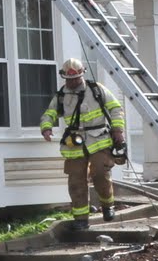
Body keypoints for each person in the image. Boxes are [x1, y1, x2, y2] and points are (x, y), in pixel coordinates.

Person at [39, 57, 126, 231]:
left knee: (100, 174)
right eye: (69, 79)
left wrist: (117, 130)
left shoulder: (96, 90)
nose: (72, 82)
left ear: (82, 75)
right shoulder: (62, 96)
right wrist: (46, 127)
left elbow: (115, 108)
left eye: (75, 78)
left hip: (99, 139)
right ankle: (81, 219)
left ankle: (107, 205)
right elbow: (50, 113)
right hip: (75, 144)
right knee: (76, 181)